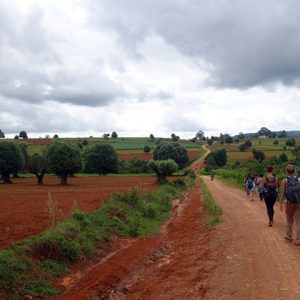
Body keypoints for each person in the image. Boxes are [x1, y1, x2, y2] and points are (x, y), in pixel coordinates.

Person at [280, 164, 300, 246]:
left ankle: (289, 236)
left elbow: (283, 193)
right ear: (295, 171)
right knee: (298, 221)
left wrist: (281, 203)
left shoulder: (285, 180)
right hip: (299, 202)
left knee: (289, 219)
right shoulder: (299, 179)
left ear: (286, 171)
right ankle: (298, 239)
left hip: (289, 203)